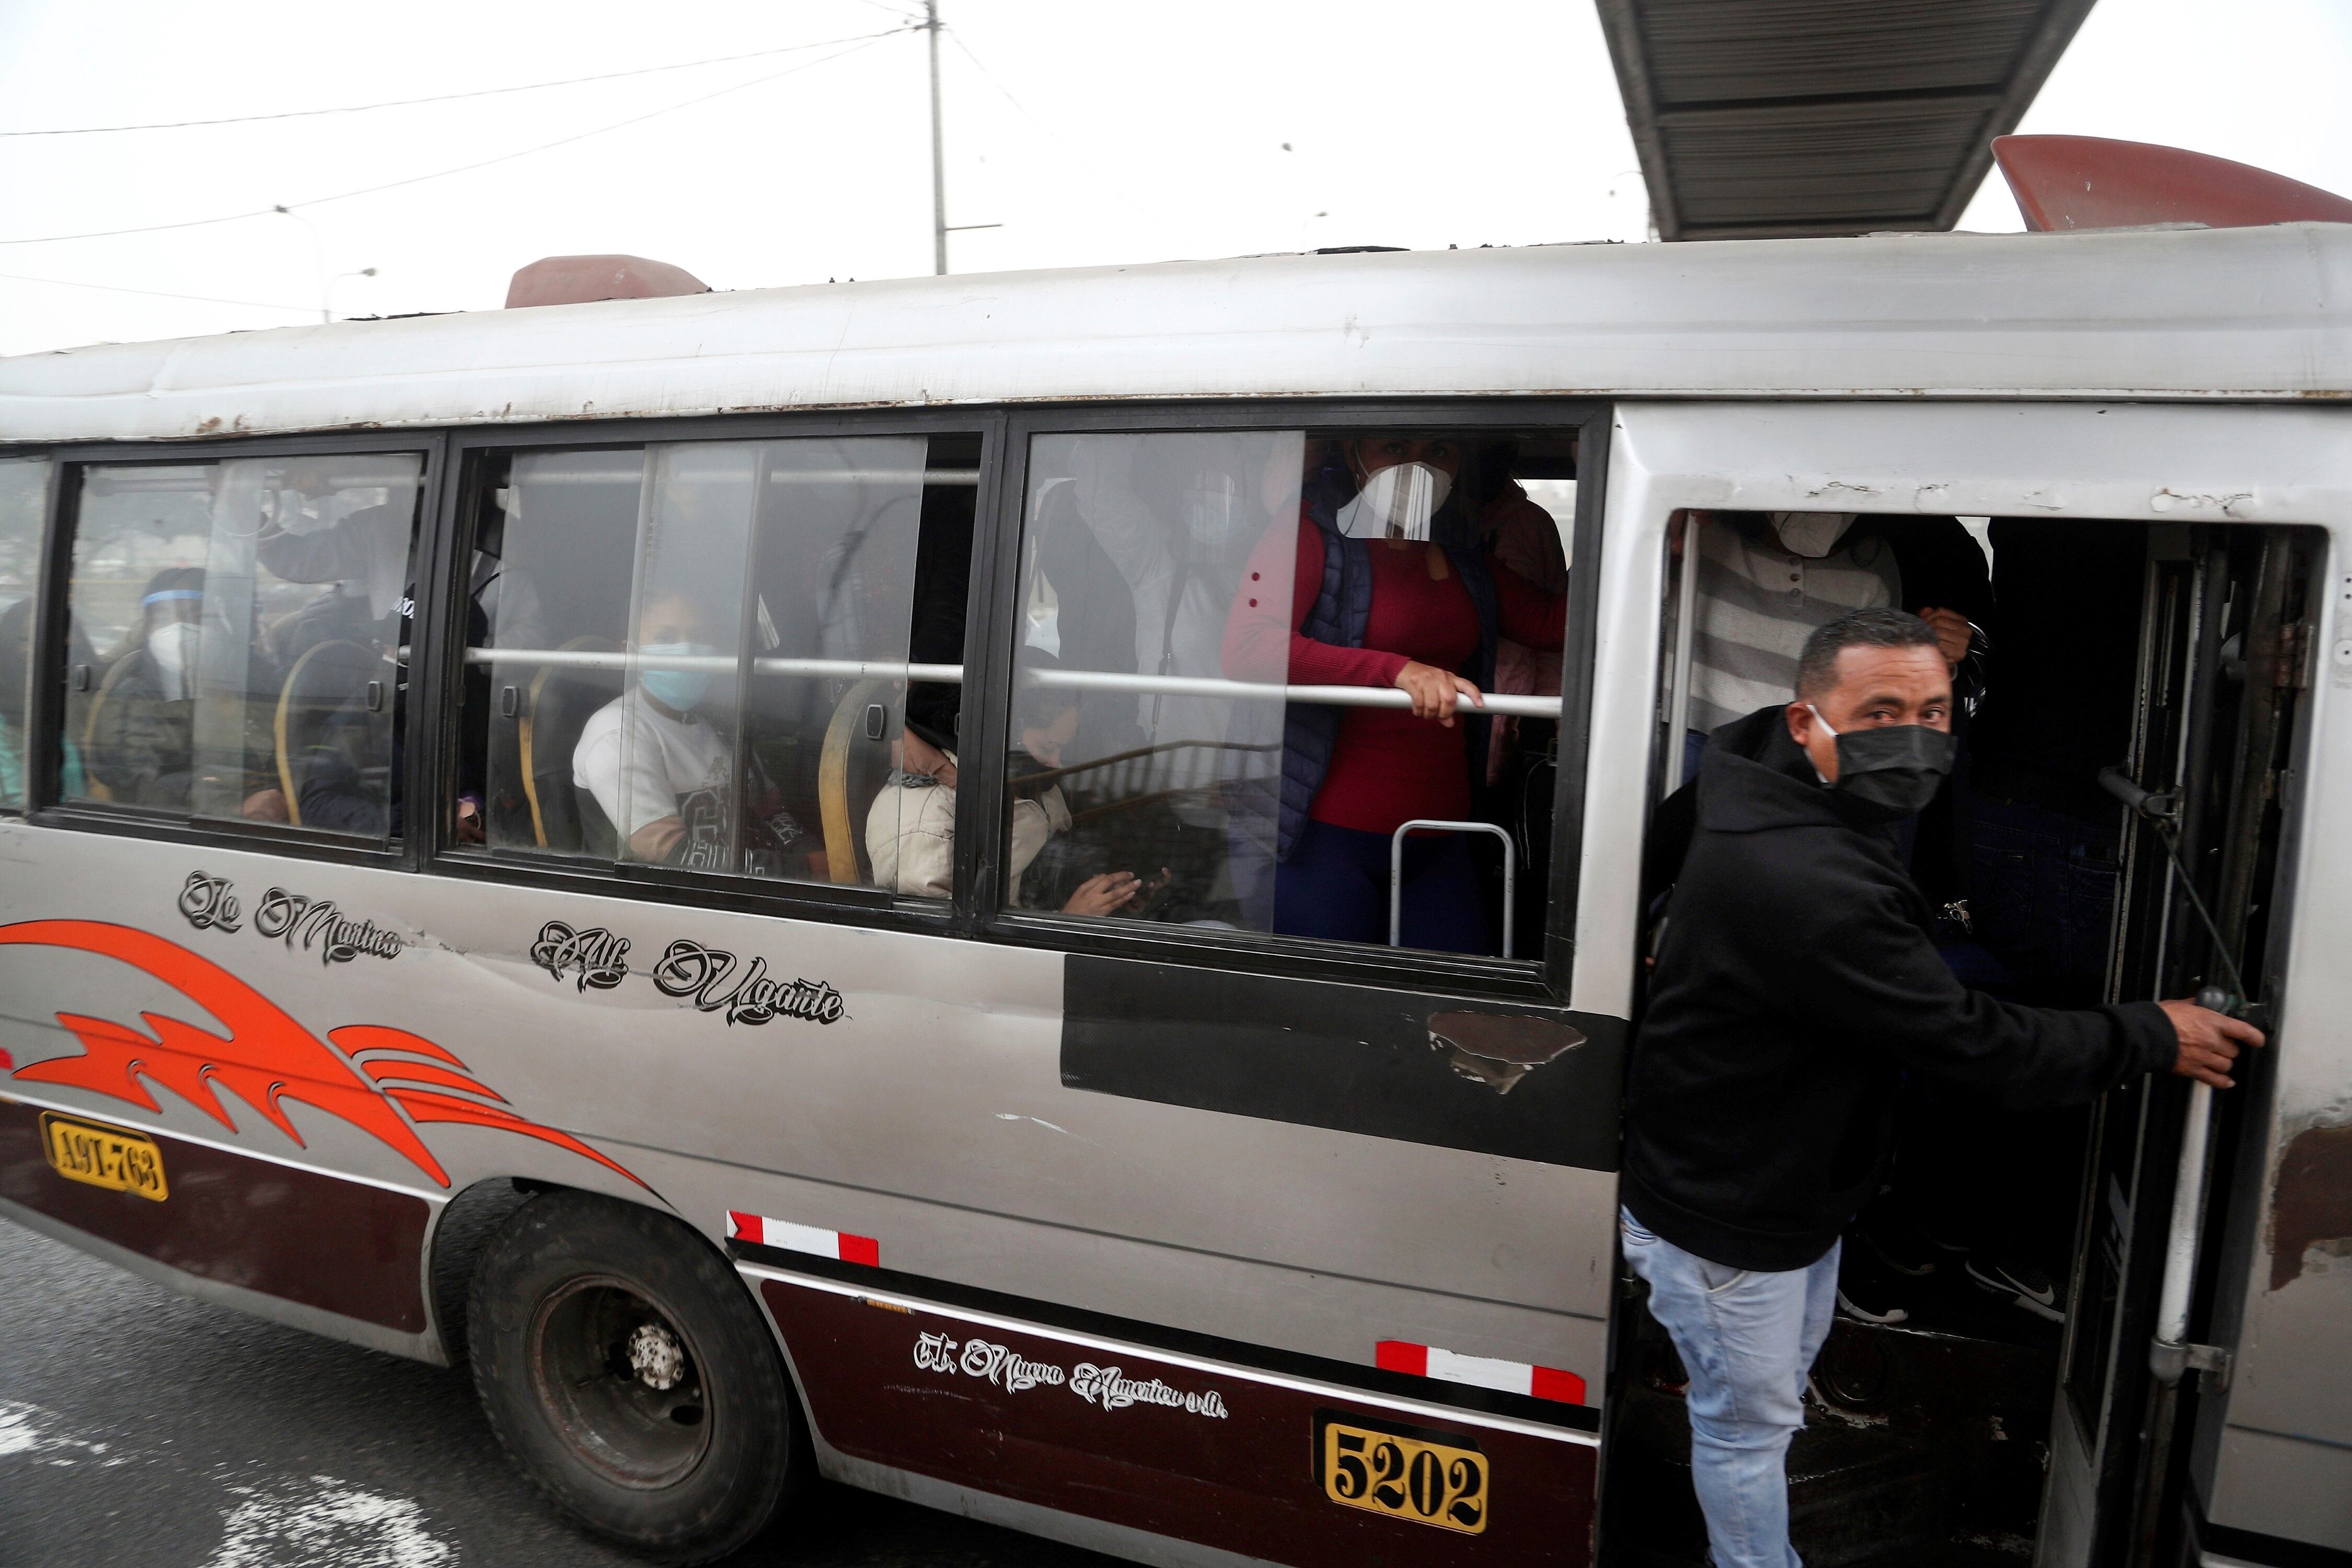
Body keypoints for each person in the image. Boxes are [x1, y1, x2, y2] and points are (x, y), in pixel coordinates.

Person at [1620, 607, 2264, 1568]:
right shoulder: (1806, 877)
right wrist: (2150, 1033)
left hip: (1779, 1183)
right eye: (1880, 712)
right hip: (1729, 1215)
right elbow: (1977, 1045)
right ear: (1807, 720)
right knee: (1745, 1430)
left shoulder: (1758, 765)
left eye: (1933, 711)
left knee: (1773, 1401)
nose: (1914, 739)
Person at [1222, 436, 1565, 952]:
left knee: (1453, 1007)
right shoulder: (1310, 531)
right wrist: (1397, 671)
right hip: (1329, 837)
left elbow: (1549, 624)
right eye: (1394, 448)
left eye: (1439, 451)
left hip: (1444, 834)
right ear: (1354, 456)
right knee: (1331, 1011)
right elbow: (1248, 648)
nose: (1418, 467)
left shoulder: (1461, 553)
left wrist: (1647, 541)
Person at [1678, 510, 1978, 781]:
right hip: (1690, 735)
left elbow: (1875, 682)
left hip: (1794, 753)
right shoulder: (1703, 531)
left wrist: (1937, 657)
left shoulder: (1870, 566)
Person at [866, 668, 1156, 914]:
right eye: (1049, 747)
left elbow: (1055, 859)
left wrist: (1114, 893)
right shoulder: (922, 827)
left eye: (1062, 750)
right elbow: (943, 951)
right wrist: (1069, 919)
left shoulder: (1028, 779)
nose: (1056, 765)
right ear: (1003, 733)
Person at [571, 589, 803, 871]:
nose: (687, 650)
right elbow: (669, 855)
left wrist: (810, 853)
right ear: (630, 653)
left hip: (742, 887)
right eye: (666, 638)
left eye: (699, 637)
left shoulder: (720, 721)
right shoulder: (617, 733)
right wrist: (803, 870)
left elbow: (770, 810)